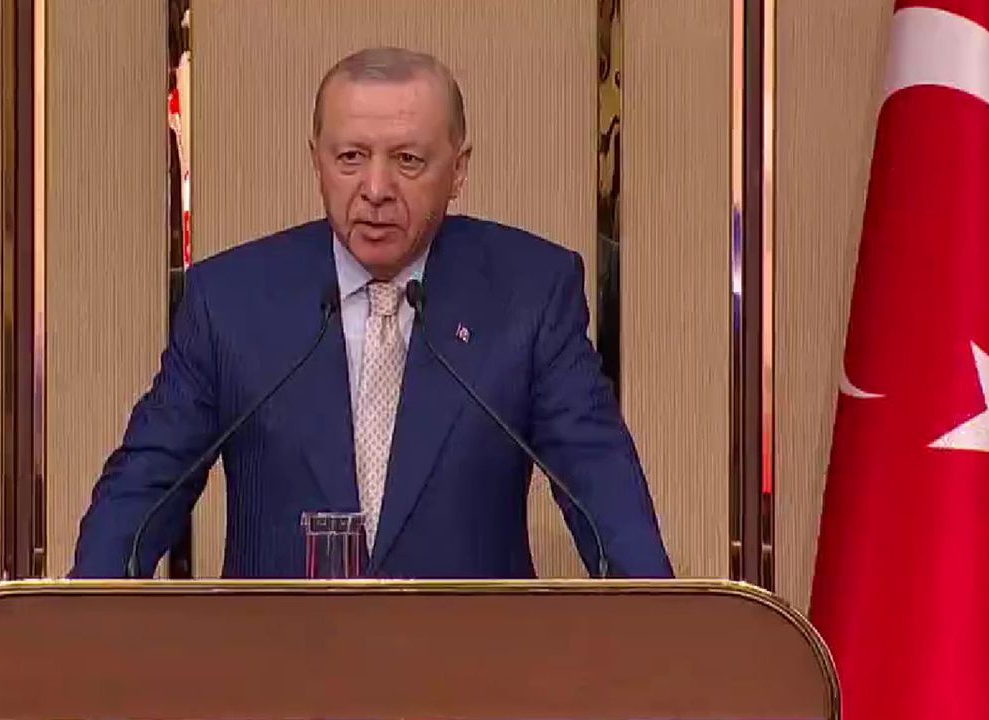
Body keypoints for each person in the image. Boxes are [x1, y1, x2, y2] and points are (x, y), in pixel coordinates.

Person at [71, 47, 672, 579]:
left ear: (458, 169)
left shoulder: (530, 293)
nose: (376, 188)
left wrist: (661, 629)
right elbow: (143, 490)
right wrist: (79, 624)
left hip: (472, 663)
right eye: (351, 157)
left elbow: (600, 485)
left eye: (408, 160)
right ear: (317, 160)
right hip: (278, 663)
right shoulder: (229, 300)